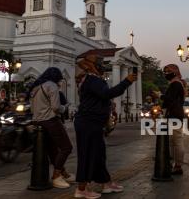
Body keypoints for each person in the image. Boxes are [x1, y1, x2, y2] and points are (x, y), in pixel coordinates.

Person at [74, 54, 136, 199]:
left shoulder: (93, 79)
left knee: (98, 154)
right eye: (98, 61)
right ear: (90, 64)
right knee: (88, 154)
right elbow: (107, 94)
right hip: (88, 122)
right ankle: (81, 189)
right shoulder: (92, 79)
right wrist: (126, 81)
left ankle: (105, 183)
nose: (102, 63)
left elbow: (101, 97)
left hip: (93, 122)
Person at [29, 67, 74, 189]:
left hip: (38, 121)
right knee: (66, 147)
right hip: (50, 120)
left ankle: (63, 173)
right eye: (59, 79)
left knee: (53, 150)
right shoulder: (52, 86)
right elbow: (56, 107)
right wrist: (64, 108)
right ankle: (56, 176)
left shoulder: (36, 87)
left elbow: (32, 108)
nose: (59, 82)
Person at [160, 64, 185, 175]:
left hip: (174, 114)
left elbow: (171, 99)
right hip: (175, 114)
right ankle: (173, 163)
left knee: (176, 141)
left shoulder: (175, 84)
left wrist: (160, 96)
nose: (166, 74)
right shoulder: (176, 83)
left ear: (175, 71)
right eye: (164, 72)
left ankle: (178, 165)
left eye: (168, 71)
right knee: (172, 140)